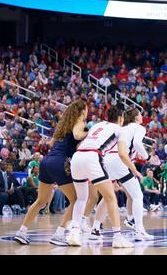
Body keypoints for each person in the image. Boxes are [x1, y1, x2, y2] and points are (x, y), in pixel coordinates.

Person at [14, 100, 88, 246]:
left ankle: (21, 232)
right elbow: (77, 135)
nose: (87, 111)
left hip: (46, 162)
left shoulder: (62, 125)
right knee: (76, 200)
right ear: (82, 111)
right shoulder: (80, 122)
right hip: (59, 162)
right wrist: (89, 133)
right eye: (86, 109)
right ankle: (59, 234)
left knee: (40, 201)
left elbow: (50, 144)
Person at [66, 105, 134, 248]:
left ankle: (74, 232)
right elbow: (121, 153)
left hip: (77, 157)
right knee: (110, 198)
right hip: (93, 157)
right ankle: (117, 238)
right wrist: (133, 169)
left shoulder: (97, 125)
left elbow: (80, 144)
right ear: (121, 118)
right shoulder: (120, 130)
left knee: (81, 198)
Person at [90, 108, 153, 241]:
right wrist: (147, 157)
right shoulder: (139, 128)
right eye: (141, 114)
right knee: (137, 195)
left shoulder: (122, 128)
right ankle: (139, 230)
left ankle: (95, 228)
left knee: (108, 196)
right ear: (136, 118)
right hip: (119, 160)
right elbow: (136, 143)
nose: (142, 116)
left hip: (107, 159)